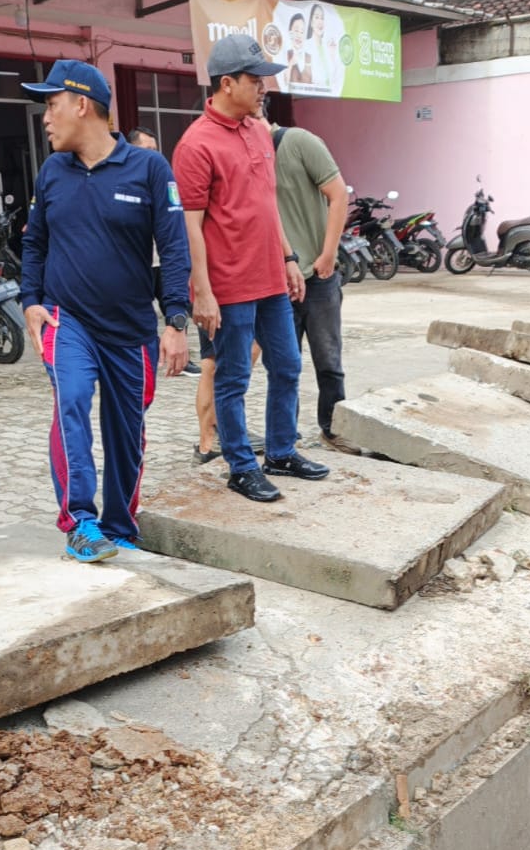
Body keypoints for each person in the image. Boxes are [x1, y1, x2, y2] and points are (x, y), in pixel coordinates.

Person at [19, 61, 191, 561]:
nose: (46, 118)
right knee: (70, 402)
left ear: (81, 104)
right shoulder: (52, 171)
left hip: (131, 328)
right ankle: (79, 522)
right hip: (68, 320)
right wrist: (31, 301)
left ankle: (119, 524)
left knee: (126, 429)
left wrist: (175, 321)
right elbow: (35, 244)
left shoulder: (149, 169)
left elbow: (174, 248)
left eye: (51, 106)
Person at [173, 33, 328, 503]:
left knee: (287, 365)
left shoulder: (260, 130)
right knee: (234, 376)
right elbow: (191, 226)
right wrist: (202, 290)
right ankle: (241, 466)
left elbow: (267, 206)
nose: (265, 88)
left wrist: (287, 259)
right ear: (226, 83)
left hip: (270, 280)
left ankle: (281, 450)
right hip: (230, 286)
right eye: (256, 80)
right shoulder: (195, 145)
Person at [267, 113, 354, 451]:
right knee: (284, 365)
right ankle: (285, 437)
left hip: (319, 276)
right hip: (277, 280)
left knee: (329, 361)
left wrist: (329, 253)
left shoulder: (300, 142)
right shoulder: (245, 156)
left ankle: (332, 428)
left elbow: (338, 194)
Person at [128, 123, 201, 376]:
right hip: (139, 265)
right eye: (147, 149)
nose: (153, 155)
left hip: (163, 261)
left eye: (156, 150)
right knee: (140, 315)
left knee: (176, 307)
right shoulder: (126, 182)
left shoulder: (162, 178)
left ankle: (181, 358)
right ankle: (142, 359)